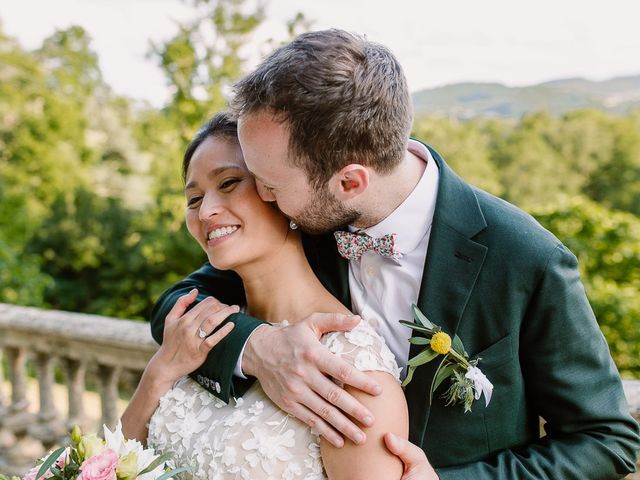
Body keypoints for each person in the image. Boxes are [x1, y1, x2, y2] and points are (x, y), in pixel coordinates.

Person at [150, 29, 640, 478]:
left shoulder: (524, 256)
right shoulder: (307, 217)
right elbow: (176, 303)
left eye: (270, 184)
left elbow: (607, 439)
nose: (262, 197)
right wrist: (255, 348)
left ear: (350, 181)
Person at [122, 112, 409, 479]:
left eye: (228, 183)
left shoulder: (353, 370)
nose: (206, 210)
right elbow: (118, 461)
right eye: (193, 199)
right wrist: (161, 371)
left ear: (279, 192)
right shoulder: (208, 326)